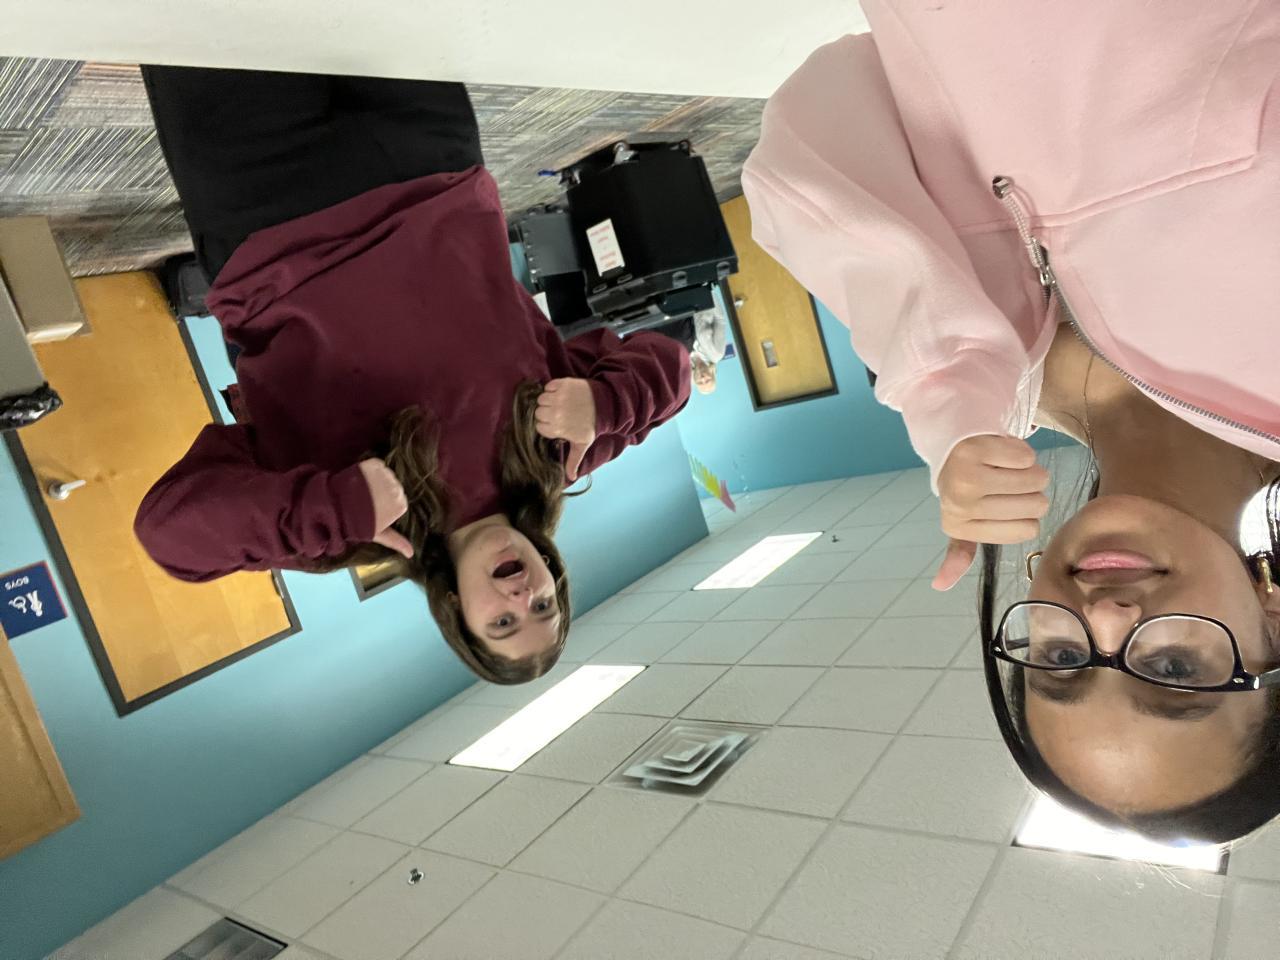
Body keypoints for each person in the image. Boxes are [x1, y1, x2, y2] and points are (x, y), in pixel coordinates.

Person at [741, 1, 1279, 841]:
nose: (1105, 618)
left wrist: (945, 379)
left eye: (1061, 660)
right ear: (1272, 625)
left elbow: (817, 121)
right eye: (1174, 669)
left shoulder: (980, 386)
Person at [132, 67, 690, 684]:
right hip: (432, 160)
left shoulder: (350, 532)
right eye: (544, 607)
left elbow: (169, 535)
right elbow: (674, 367)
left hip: (269, 207)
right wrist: (610, 404)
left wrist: (331, 508)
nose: (523, 596)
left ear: (455, 610)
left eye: (503, 622)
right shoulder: (562, 454)